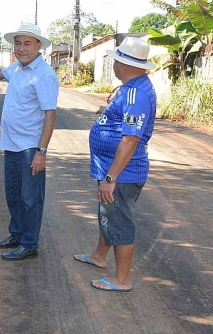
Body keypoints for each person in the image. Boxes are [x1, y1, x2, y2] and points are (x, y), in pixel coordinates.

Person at [0, 22, 58, 260]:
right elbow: (0, 73)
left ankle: (30, 243)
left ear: (39, 45)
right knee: (14, 194)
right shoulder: (17, 69)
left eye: (27, 43)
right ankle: (17, 234)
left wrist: (42, 151)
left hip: (30, 147)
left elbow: (50, 113)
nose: (21, 48)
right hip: (11, 144)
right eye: (18, 43)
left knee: (31, 198)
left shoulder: (44, 75)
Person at [74, 37, 157, 293]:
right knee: (109, 214)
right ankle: (100, 256)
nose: (114, 65)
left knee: (119, 220)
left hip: (122, 172)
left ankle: (123, 279)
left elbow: (131, 139)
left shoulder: (136, 93)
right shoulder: (131, 87)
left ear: (123, 63)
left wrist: (111, 179)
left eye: (116, 60)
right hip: (116, 170)